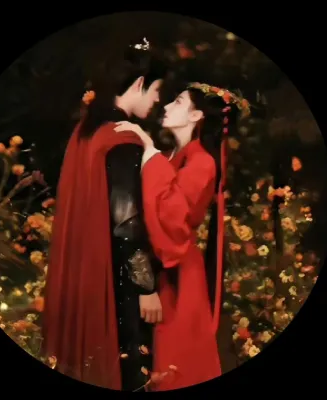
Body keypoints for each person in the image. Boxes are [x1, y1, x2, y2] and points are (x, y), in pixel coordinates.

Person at [42, 40, 169, 391]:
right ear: (140, 84)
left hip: (88, 269)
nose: (158, 100)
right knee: (129, 373)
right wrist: (146, 286)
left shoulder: (89, 131)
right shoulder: (122, 138)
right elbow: (126, 220)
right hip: (117, 279)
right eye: (156, 90)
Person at [115, 82, 250, 390]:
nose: (166, 106)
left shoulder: (202, 162)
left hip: (179, 270)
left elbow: (172, 218)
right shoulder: (172, 156)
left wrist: (149, 152)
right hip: (161, 265)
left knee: (176, 361)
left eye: (177, 102)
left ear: (196, 115)